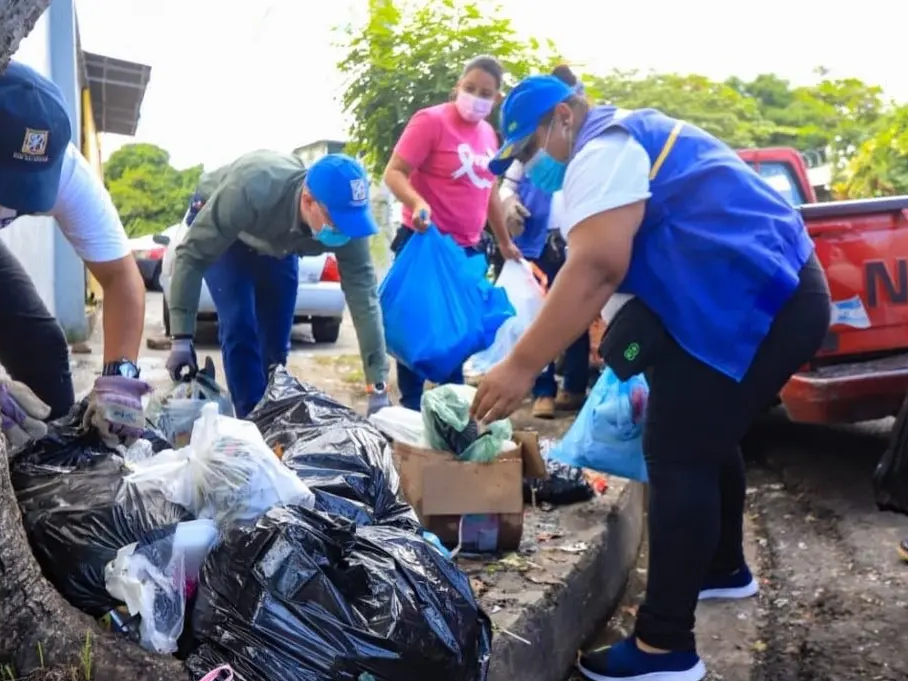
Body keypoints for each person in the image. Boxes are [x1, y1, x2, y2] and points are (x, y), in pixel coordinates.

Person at [473, 75, 831, 681]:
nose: (534, 166)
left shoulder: (603, 149)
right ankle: (722, 567)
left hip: (761, 302)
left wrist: (522, 365)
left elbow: (597, 266)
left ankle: (666, 645)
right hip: (766, 296)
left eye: (531, 149)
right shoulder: (625, 136)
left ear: (563, 117)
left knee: (678, 452)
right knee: (703, 435)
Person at [0, 61, 149, 453]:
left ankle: (56, 469)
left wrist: (121, 380)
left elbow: (121, 276)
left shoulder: (67, 171)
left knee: (42, 343)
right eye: (1, 183)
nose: (12, 202)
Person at [164, 151, 391, 418]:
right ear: (308, 201)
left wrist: (377, 386)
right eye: (336, 223)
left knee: (275, 344)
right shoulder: (250, 188)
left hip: (279, 244)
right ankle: (253, 423)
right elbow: (192, 256)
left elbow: (364, 297)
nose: (345, 231)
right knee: (239, 326)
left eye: (350, 223)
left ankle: (272, 417)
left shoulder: (347, 220)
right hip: (230, 233)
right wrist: (181, 337)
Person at [382, 55, 521, 411]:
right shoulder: (430, 121)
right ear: (457, 86)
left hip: (466, 252)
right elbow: (395, 172)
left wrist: (504, 241)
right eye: (470, 88)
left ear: (496, 98)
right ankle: (411, 412)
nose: (476, 96)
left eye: (485, 92)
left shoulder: (489, 134)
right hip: (425, 243)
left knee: (457, 335)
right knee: (417, 331)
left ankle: (451, 412)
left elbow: (488, 191)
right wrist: (417, 203)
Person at [499, 64, 590, 419]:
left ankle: (575, 388)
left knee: (577, 313)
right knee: (540, 316)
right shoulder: (537, 145)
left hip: (578, 242)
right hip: (539, 242)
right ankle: (543, 390)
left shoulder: (588, 150)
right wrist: (509, 203)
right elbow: (507, 182)